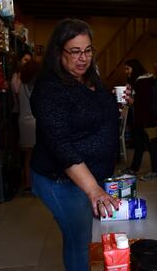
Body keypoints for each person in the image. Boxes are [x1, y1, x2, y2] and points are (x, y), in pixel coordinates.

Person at [30, 19, 120, 271]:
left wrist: (119, 106)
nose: (83, 58)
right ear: (59, 52)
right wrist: (94, 189)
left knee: (87, 235)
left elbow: (95, 110)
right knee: (78, 240)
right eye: (75, 51)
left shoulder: (90, 77)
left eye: (88, 50)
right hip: (59, 180)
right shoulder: (49, 89)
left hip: (89, 174)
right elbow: (61, 146)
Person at [120, 59, 157, 181]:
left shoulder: (143, 82)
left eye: (128, 68)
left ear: (134, 68)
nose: (126, 71)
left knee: (151, 145)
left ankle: (155, 171)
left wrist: (132, 101)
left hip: (148, 119)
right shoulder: (139, 80)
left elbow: (145, 102)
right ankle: (134, 168)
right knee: (138, 144)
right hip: (141, 118)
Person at [18, 60, 39, 191]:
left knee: (27, 156)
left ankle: (28, 183)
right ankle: (36, 184)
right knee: (37, 155)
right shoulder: (36, 86)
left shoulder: (20, 86)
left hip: (23, 122)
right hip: (34, 122)